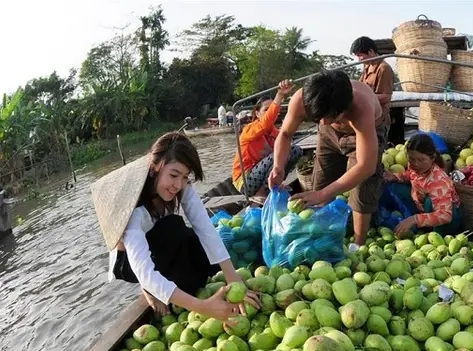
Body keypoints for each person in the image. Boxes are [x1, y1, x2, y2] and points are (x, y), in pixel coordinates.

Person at [91, 132, 259, 320]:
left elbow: (204, 227)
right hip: (130, 262)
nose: (178, 185)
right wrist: (203, 307)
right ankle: (147, 289)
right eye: (173, 175)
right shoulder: (134, 210)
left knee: (201, 258)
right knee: (174, 226)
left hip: (159, 243)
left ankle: (165, 284)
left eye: (185, 176)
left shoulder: (181, 185)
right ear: (155, 168)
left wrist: (232, 278)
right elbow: (144, 270)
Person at [269, 70, 383, 247]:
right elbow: (284, 134)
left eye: (329, 117)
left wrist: (322, 195)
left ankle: (358, 244)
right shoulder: (303, 99)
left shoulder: (361, 107)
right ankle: (321, 236)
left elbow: (366, 166)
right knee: (321, 182)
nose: (322, 122)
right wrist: (278, 166)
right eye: (317, 118)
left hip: (365, 132)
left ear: (344, 109)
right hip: (329, 136)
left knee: (362, 189)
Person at [232, 80, 301, 198]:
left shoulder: (275, 132)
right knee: (279, 153)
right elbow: (265, 123)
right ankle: (264, 192)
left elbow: (286, 145)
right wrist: (279, 95)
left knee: (294, 150)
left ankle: (274, 185)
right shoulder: (249, 129)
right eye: (266, 110)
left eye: (271, 109)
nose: (270, 113)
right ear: (257, 114)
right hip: (245, 180)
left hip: (262, 175)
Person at [383, 133, 462, 236]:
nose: (416, 164)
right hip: (421, 205)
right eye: (412, 159)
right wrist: (395, 177)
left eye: (421, 160)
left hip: (448, 218)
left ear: (432, 157)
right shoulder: (414, 165)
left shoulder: (438, 180)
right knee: (395, 186)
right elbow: (411, 175)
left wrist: (415, 219)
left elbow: (445, 215)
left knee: (430, 202)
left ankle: (437, 234)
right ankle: (416, 223)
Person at [350, 36, 394, 142]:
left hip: (379, 118)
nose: (359, 59)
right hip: (367, 115)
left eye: (360, 55)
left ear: (371, 52)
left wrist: (364, 98)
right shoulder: (367, 66)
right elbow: (361, 87)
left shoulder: (384, 68)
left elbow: (386, 97)